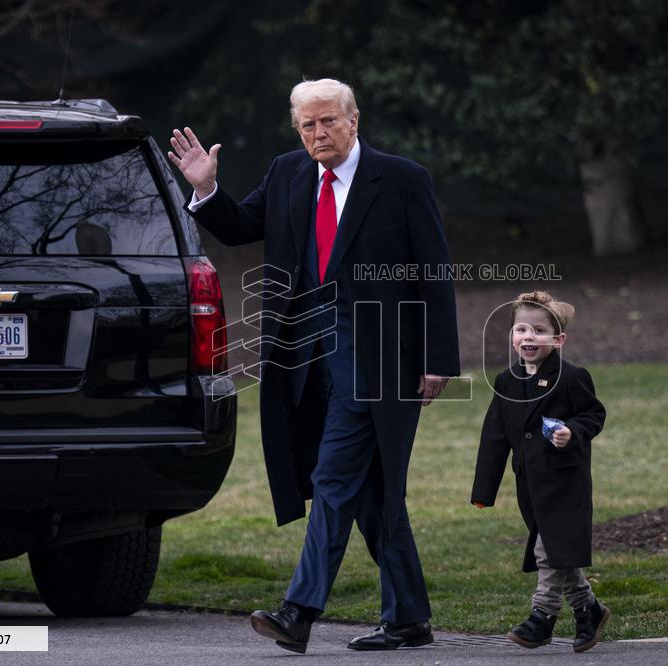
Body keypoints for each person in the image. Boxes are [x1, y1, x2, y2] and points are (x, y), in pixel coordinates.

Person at [168, 78, 459, 654]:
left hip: (377, 363)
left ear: (355, 120)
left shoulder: (401, 179)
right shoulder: (288, 173)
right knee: (373, 493)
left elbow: (435, 271)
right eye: (308, 125)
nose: (319, 133)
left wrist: (437, 358)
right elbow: (242, 227)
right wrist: (206, 190)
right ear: (297, 128)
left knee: (331, 478)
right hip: (304, 361)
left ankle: (298, 612)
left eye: (329, 121)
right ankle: (409, 619)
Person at [471, 291, 610, 653]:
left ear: (558, 339)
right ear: (511, 336)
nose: (529, 337)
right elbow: (495, 437)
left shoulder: (572, 377)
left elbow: (593, 415)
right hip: (531, 487)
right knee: (559, 552)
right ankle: (589, 610)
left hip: (565, 483)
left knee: (548, 552)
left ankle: (542, 618)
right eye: (521, 329)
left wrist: (572, 432)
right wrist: (483, 491)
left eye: (539, 330)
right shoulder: (506, 381)